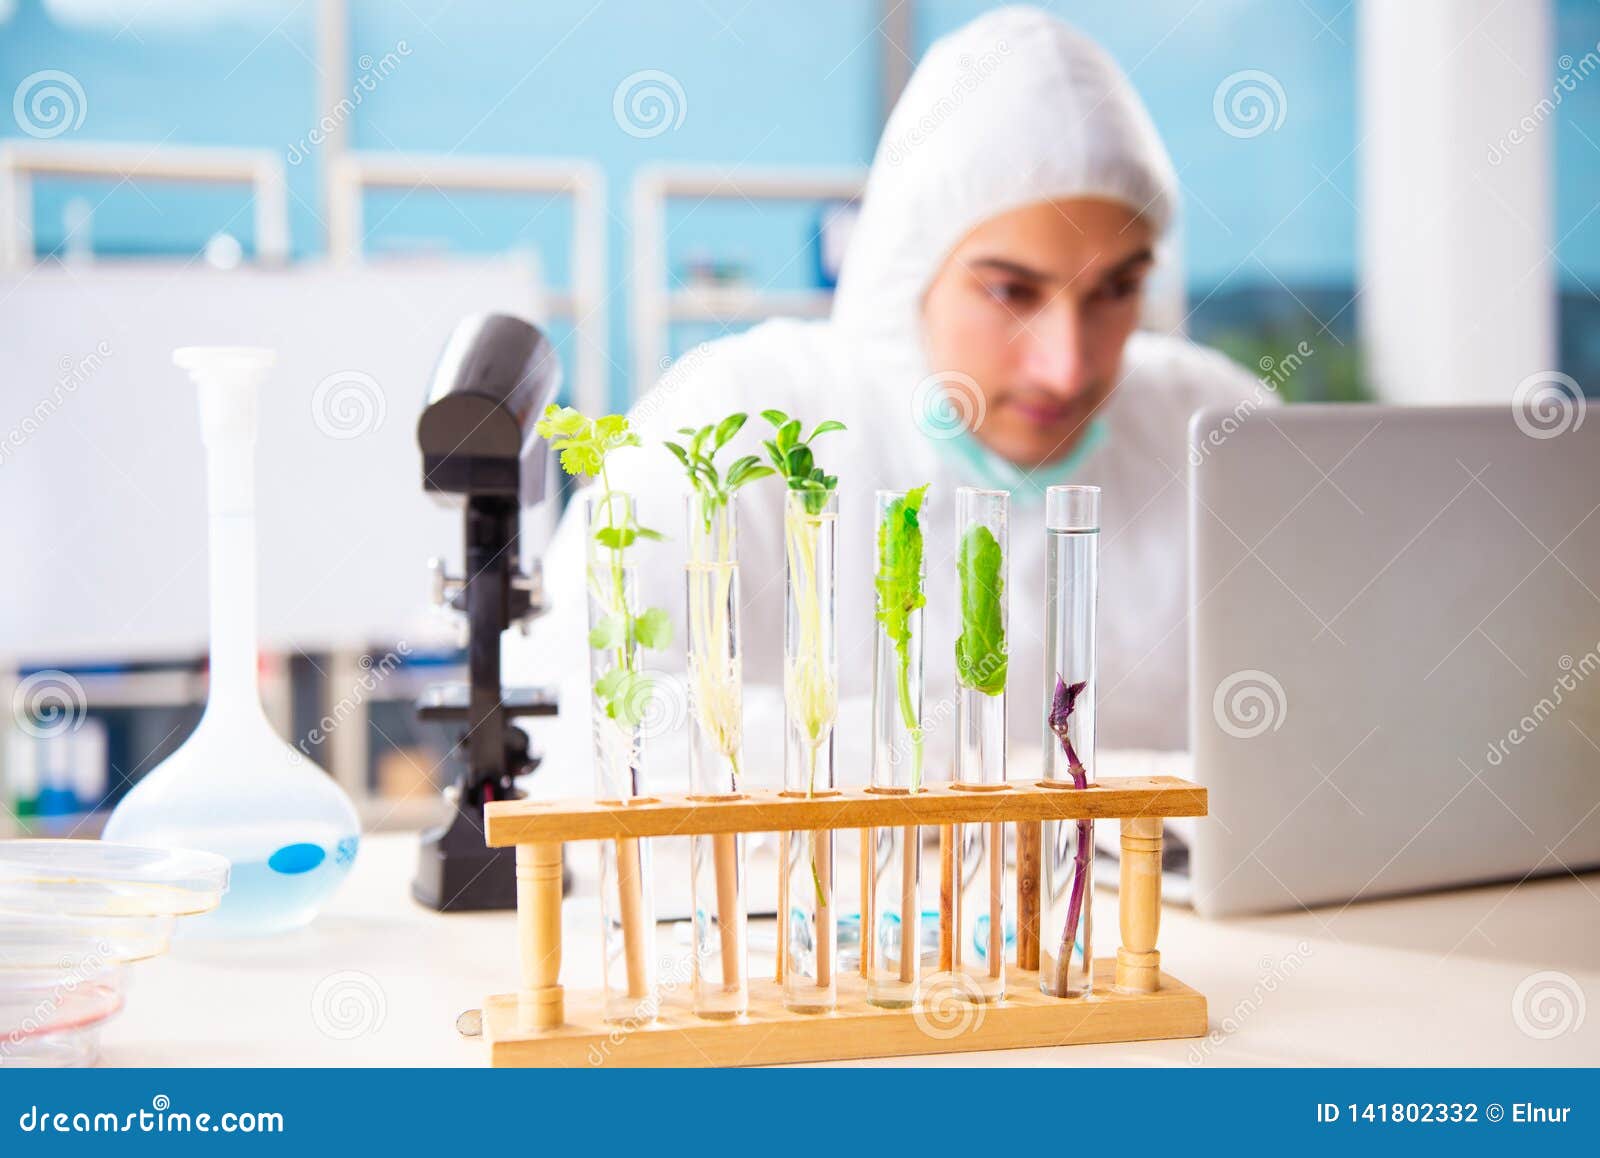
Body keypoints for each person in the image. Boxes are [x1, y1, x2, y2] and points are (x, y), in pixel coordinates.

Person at [508, 7, 1260, 796]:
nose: (1065, 366)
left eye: (1117, 288)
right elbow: (562, 723)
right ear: (910, 265)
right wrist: (950, 766)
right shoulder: (738, 420)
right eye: (1010, 290)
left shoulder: (1217, 427)